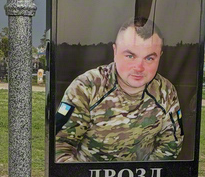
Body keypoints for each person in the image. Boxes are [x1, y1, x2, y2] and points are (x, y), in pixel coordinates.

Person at [55, 18, 183, 162]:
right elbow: (59, 147)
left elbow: (170, 146)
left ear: (160, 56)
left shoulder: (165, 91)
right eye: (130, 56)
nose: (139, 67)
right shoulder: (87, 87)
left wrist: (144, 174)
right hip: (88, 175)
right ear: (115, 51)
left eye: (149, 58)